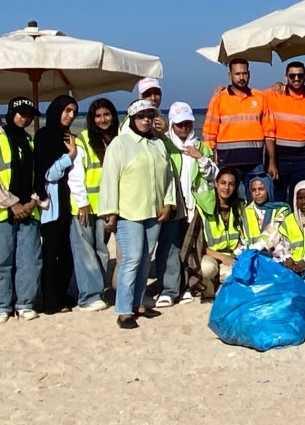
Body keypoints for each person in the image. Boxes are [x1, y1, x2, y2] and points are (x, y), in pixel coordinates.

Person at [100, 99, 176, 329]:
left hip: (154, 211)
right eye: (141, 116)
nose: (146, 120)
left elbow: (168, 176)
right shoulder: (120, 143)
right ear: (132, 118)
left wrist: (168, 203)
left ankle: (137, 303)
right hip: (128, 212)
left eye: (149, 116)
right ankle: (123, 310)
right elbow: (109, 178)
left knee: (144, 259)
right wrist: (110, 212)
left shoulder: (158, 143)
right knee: (131, 259)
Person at [0, 97, 44, 324]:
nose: (25, 119)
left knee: (30, 259)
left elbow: (37, 175)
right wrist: (12, 203)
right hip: (0, 211)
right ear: (11, 113)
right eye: (21, 114)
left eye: (29, 115)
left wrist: (32, 201)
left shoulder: (29, 141)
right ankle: (1, 306)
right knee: (1, 260)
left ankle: (25, 303)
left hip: (29, 210)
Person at [153, 102, 210, 308]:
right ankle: (169, 288)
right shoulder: (164, 144)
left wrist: (200, 158)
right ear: (172, 124)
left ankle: (187, 286)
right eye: (179, 124)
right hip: (173, 205)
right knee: (169, 247)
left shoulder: (202, 147)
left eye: (187, 123)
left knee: (190, 248)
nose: (184, 127)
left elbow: (212, 175)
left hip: (195, 207)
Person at [67, 97, 117, 311]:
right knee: (85, 252)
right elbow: (75, 174)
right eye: (98, 116)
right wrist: (82, 202)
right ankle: (88, 296)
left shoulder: (117, 139)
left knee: (101, 251)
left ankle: (100, 290)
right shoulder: (84, 140)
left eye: (106, 114)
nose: (102, 119)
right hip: (85, 206)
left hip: (106, 206)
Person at [33, 94, 80, 314]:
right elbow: (48, 174)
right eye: (66, 110)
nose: (70, 116)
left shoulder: (66, 136)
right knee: (51, 255)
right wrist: (70, 155)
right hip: (50, 205)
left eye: (74, 112)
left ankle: (61, 295)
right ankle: (50, 301)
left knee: (66, 254)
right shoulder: (45, 136)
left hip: (66, 204)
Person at [203, 58, 273, 199]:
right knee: (227, 202)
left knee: (257, 203)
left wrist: (271, 161)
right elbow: (210, 131)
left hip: (255, 163)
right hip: (227, 162)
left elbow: (269, 132)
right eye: (237, 74)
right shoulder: (219, 99)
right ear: (230, 75)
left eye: (244, 73)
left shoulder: (260, 97)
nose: (241, 77)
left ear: (249, 74)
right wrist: (210, 157)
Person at [182, 168, 247, 298]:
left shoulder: (240, 207)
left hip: (232, 256)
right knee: (207, 268)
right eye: (223, 183)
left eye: (231, 184)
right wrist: (222, 257)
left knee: (234, 274)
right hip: (209, 255)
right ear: (216, 184)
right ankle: (209, 292)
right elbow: (199, 246)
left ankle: (220, 286)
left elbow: (244, 237)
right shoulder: (204, 209)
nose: (226, 188)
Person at [268, 60, 305, 204]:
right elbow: (251, 96)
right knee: (277, 200)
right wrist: (222, 90)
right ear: (286, 77)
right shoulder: (273, 95)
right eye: (292, 76)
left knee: (299, 201)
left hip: (304, 158)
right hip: (279, 158)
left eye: (300, 75)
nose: (296, 79)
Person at [245, 175, 291, 247]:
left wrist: (254, 250)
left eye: (261, 189)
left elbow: (273, 233)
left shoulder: (282, 210)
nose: (257, 193)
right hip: (249, 252)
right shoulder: (246, 211)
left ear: (269, 189)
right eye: (253, 190)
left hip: (274, 252)